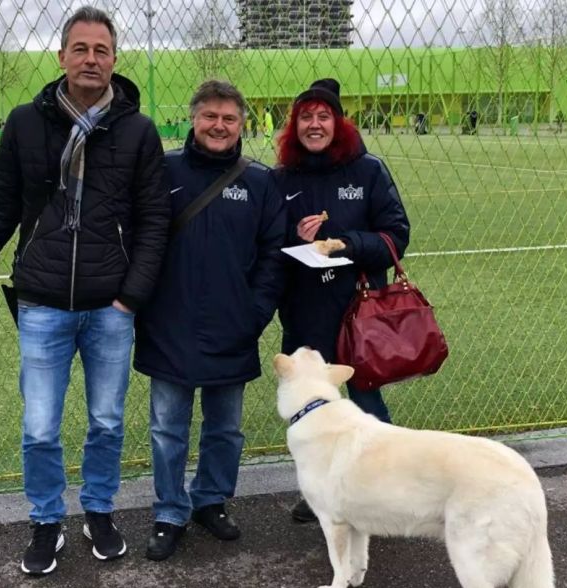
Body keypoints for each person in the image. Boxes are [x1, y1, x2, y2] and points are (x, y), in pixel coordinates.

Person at [0, 6, 170, 576]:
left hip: (111, 307)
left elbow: (154, 220)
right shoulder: (24, 122)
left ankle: (98, 511)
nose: (91, 59)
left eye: (102, 50)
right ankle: (46, 521)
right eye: (81, 49)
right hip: (42, 303)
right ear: (61, 55)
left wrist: (131, 295)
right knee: (40, 427)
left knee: (108, 422)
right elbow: (0, 208)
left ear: (115, 60)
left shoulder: (138, 130)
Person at [134, 80, 287, 561]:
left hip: (233, 326)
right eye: (210, 117)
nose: (219, 126)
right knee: (167, 428)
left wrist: (255, 313)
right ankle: (169, 511)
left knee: (225, 428)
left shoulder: (260, 182)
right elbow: (140, 240)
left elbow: (272, 257)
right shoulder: (163, 171)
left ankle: (211, 499)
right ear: (193, 120)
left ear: (242, 124)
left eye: (229, 118)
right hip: (168, 325)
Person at [272, 79, 411, 522]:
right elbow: (267, 242)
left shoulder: (368, 170)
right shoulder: (281, 178)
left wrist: (344, 244)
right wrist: (294, 237)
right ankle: (321, 493)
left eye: (323, 116)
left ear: (338, 122)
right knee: (311, 411)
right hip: (305, 313)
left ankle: (386, 492)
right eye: (306, 117)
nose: (315, 125)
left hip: (359, 310)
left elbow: (396, 237)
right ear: (295, 126)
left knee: (366, 405)